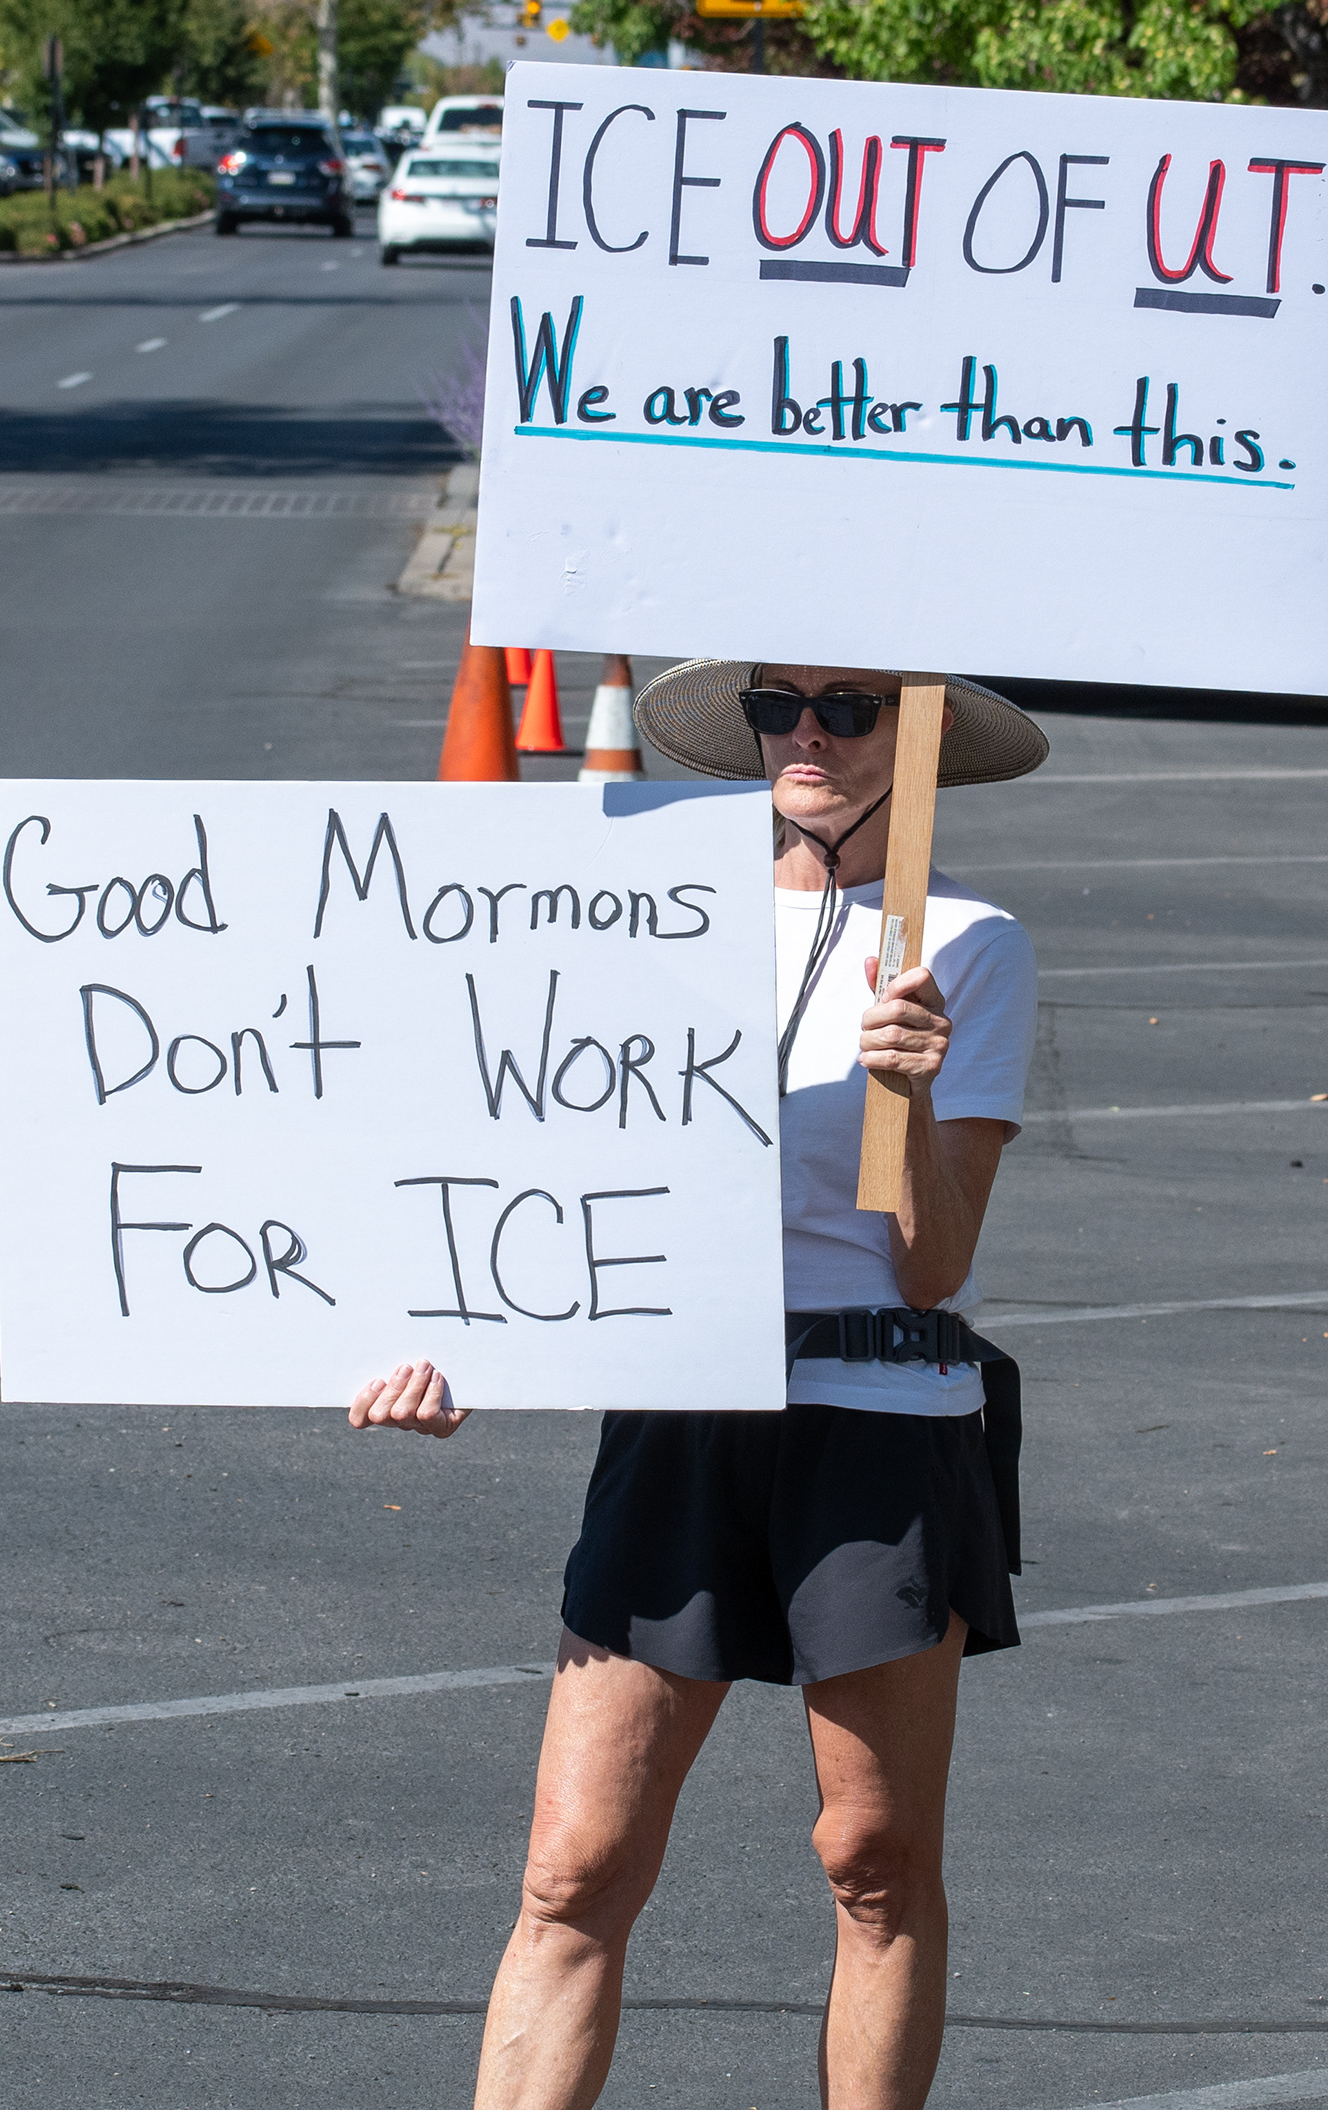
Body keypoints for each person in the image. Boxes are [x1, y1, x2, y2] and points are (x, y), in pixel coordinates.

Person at [351, 658, 1048, 2110]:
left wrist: (905, 1097)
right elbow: (527, 1155)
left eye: (849, 709)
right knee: (575, 1863)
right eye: (777, 703)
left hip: (882, 1417)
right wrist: (449, 1337)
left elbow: (931, 1267)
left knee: (872, 1862)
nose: (807, 731)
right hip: (683, 1405)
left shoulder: (967, 944)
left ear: (912, 740)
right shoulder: (645, 916)